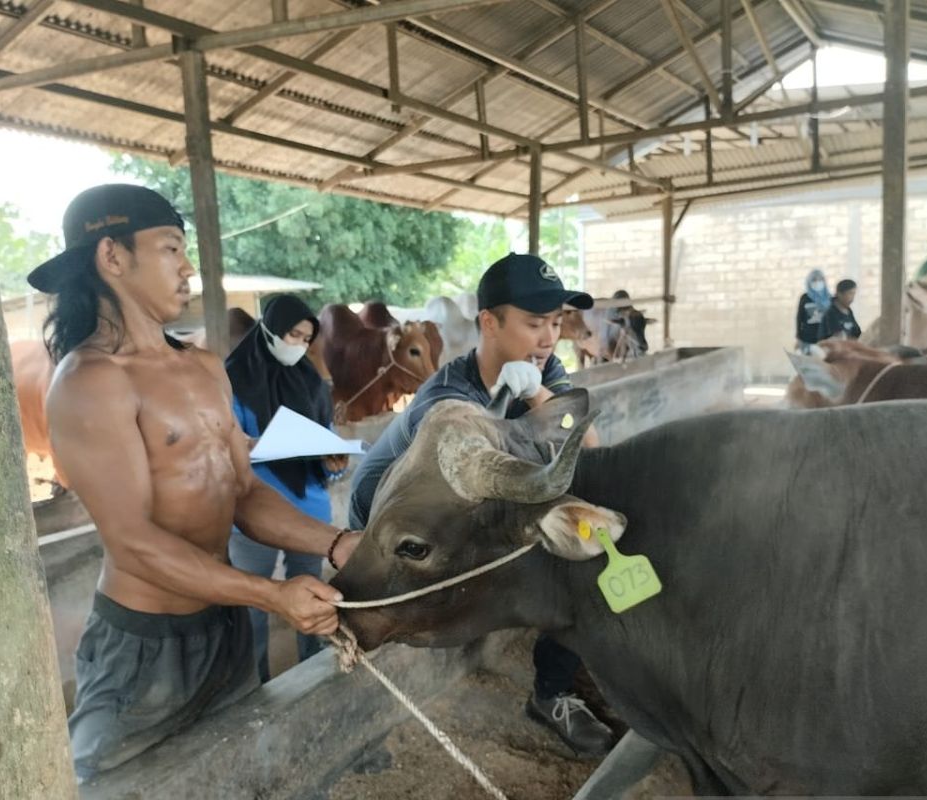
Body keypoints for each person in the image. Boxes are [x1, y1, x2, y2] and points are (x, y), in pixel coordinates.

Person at [34, 184, 360, 782]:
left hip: (225, 623)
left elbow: (243, 493)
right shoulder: (91, 382)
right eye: (170, 248)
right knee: (104, 785)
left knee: (235, 773)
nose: (188, 268)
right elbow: (132, 540)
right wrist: (270, 595)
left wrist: (334, 543)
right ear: (112, 257)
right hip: (143, 645)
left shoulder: (203, 366)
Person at [347, 253, 616, 757]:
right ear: (489, 323)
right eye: (535, 323)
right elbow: (452, 477)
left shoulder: (543, 369)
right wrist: (503, 409)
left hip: (462, 517)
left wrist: (537, 395)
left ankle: (551, 691)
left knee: (578, 553)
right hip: (388, 531)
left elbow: (594, 451)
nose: (548, 338)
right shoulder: (447, 396)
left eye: (556, 323)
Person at [225, 295, 347, 680]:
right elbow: (227, 445)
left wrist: (334, 462)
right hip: (252, 513)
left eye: (306, 339)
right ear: (271, 329)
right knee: (253, 604)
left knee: (314, 599)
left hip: (308, 509)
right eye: (292, 334)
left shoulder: (311, 382)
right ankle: (254, 683)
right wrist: (270, 445)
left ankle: (312, 675)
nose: (298, 345)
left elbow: (325, 439)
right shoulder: (233, 380)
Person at [795, 269, 830, 353]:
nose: (817, 282)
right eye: (814, 280)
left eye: (820, 279)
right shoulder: (805, 298)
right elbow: (799, 318)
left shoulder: (830, 298)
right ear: (809, 281)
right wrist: (798, 338)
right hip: (808, 338)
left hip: (826, 339)